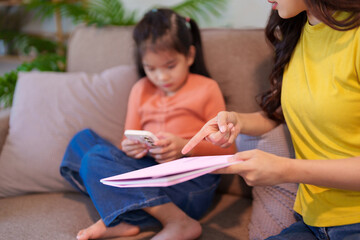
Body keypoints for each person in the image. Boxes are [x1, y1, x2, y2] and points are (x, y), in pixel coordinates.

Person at [182, 0, 360, 239]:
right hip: (312, 221)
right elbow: (280, 115)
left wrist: (285, 169)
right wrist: (236, 121)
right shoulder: (296, 32)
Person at [60, 8, 235, 240]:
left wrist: (184, 146)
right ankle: (124, 216)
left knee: (94, 159)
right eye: (151, 69)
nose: (161, 77)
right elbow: (126, 143)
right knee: (82, 142)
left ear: (190, 56)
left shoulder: (206, 88)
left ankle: (176, 221)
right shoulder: (141, 89)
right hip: (147, 170)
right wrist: (131, 147)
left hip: (189, 182)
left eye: (170, 66)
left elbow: (228, 150)